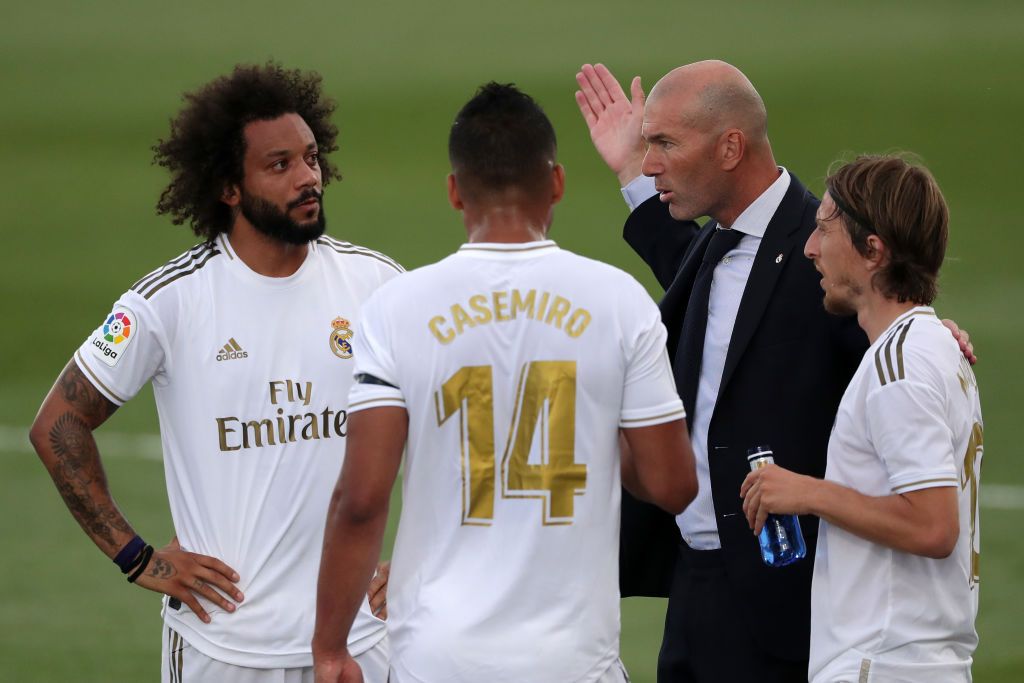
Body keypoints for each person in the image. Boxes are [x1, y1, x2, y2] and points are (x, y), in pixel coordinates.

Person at [574, 61, 976, 682]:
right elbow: (697, 276)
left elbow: (885, 313)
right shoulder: (718, 243)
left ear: (730, 147)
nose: (653, 161)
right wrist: (629, 170)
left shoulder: (824, 249)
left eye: (665, 144)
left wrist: (928, 331)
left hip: (782, 594)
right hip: (693, 581)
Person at [311, 82, 698, 683]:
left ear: (453, 192)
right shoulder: (619, 301)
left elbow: (361, 501)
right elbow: (673, 486)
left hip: (437, 659)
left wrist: (332, 648)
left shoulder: (397, 307)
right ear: (558, 184)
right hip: (573, 661)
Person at [28, 63, 399, 682]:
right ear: (229, 187)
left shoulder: (379, 285)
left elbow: (457, 421)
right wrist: (137, 557)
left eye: (310, 158)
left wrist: (420, 559)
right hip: (223, 653)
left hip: (362, 642)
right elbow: (59, 424)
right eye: (279, 165)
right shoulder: (170, 301)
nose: (309, 178)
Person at [741, 155, 982, 682]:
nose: (809, 248)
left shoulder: (901, 365)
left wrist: (805, 493)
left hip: (886, 659)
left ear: (872, 250)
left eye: (824, 229)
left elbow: (932, 525)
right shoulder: (932, 346)